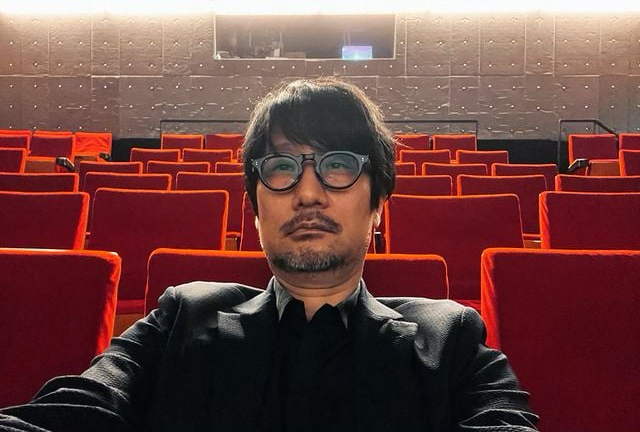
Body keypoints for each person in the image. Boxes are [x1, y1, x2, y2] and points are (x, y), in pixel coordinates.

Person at [0, 78, 538, 431]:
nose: (308, 193)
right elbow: (70, 413)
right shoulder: (180, 318)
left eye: (338, 165)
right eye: (281, 168)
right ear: (254, 211)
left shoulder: (450, 338)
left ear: (378, 207)